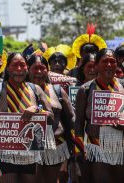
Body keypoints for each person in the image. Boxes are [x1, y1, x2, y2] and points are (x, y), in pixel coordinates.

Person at [0, 52, 55, 183]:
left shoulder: (35, 89)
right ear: (8, 68)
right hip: (4, 154)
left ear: (27, 68)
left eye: (22, 65)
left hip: (30, 153)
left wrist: (37, 109)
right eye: (15, 65)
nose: (19, 69)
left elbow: (51, 116)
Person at [75, 48, 124, 183]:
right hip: (96, 148)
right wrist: (79, 151)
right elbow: (78, 123)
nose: (109, 65)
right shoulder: (85, 89)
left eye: (112, 61)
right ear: (96, 65)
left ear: (117, 65)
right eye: (105, 61)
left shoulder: (123, 87)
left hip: (120, 147)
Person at [27, 54, 75, 183]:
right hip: (28, 149)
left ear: (47, 70)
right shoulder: (20, 91)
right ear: (27, 69)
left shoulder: (57, 91)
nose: (39, 72)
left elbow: (72, 119)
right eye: (35, 68)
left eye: (42, 68)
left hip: (56, 147)